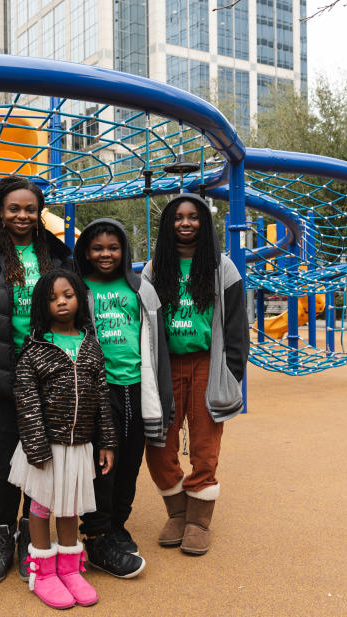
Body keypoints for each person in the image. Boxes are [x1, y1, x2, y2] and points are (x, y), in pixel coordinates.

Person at [0, 175, 74, 583]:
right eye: (14, 208)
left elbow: (76, 308)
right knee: (6, 458)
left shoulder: (56, 255)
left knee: (42, 457)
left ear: (39, 212)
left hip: (50, 374)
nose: (23, 216)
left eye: (30, 209)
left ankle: (30, 536)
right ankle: (2, 535)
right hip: (4, 374)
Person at [142, 195, 249, 556]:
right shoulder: (155, 269)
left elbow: (237, 326)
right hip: (165, 365)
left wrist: (232, 372)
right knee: (159, 441)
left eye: (193, 217)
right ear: (167, 224)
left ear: (204, 223)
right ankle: (178, 511)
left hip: (207, 362)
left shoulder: (223, 268)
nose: (185, 223)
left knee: (205, 443)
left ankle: (199, 519)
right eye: (178, 217)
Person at [9, 269, 116, 609]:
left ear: (78, 299)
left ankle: (69, 570)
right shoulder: (35, 350)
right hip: (45, 446)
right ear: (42, 305)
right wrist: (36, 447)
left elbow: (101, 395)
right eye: (53, 298)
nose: (61, 302)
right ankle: (43, 570)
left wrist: (107, 442)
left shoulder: (90, 344)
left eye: (68, 295)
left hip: (81, 445)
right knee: (40, 506)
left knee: (69, 505)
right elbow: (26, 402)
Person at [72, 218, 173, 578]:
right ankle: (96, 531)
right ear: (85, 251)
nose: (105, 254)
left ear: (124, 251)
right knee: (103, 465)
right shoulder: (76, 287)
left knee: (130, 461)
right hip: (98, 389)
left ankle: (117, 524)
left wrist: (163, 394)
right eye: (97, 248)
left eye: (113, 248)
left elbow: (157, 343)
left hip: (135, 386)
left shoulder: (141, 288)